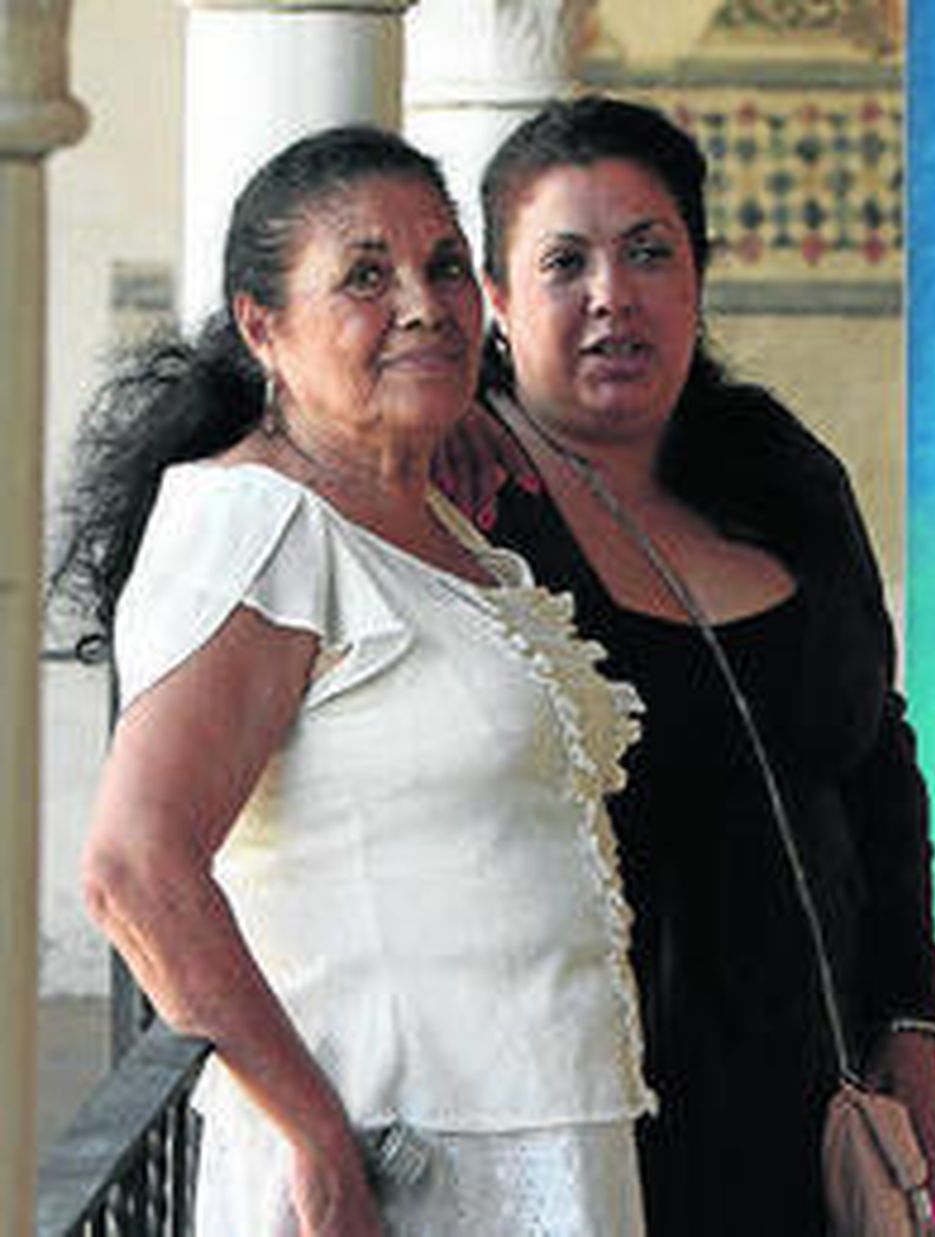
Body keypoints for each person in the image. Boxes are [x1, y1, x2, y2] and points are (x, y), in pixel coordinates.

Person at [55, 125, 654, 1237]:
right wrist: (316, 1139)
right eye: (367, 277)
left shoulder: (435, 524)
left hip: (536, 1136)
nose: (425, 306)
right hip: (396, 1159)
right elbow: (134, 867)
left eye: (444, 266)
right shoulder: (258, 521)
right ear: (262, 326)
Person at [449, 95, 935, 1234]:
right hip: (581, 1119)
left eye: (649, 253)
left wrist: (911, 1014)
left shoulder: (781, 473)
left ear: (698, 279)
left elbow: (875, 754)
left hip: (809, 1095)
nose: (611, 295)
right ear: (495, 300)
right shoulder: (461, 508)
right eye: (563, 262)